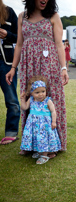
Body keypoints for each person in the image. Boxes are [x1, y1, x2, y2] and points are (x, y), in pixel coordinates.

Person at [5, 0, 69, 156]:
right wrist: (13, 68)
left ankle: (53, 144)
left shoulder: (53, 16)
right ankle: (30, 144)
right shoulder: (22, 17)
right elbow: (19, 44)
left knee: (50, 99)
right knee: (29, 97)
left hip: (50, 65)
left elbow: (59, 44)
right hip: (28, 65)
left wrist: (63, 68)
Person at [20, 75, 61, 164]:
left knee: (44, 139)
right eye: (37, 92)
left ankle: (44, 155)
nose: (41, 94)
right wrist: (22, 99)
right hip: (34, 125)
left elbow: (53, 111)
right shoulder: (31, 100)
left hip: (44, 125)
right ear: (31, 93)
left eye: (43, 91)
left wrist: (54, 122)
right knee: (36, 138)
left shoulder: (47, 101)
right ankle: (39, 152)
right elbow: (24, 107)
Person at [0, 0, 20, 145]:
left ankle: (11, 132)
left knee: (11, 99)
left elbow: (20, 37)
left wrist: (7, 34)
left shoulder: (8, 11)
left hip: (6, 62)